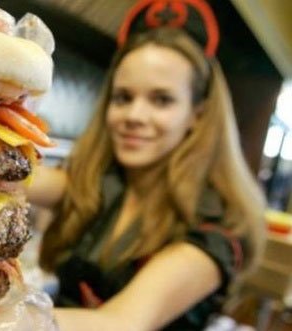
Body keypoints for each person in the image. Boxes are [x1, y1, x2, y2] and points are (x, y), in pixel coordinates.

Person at [27, 14, 266, 331]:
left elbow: (122, 323)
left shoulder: (213, 230)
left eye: (162, 100)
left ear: (197, 114)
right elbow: (21, 181)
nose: (135, 116)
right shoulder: (102, 183)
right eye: (123, 97)